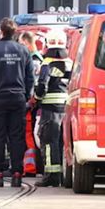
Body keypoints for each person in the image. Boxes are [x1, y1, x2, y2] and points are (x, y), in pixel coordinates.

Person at [0, 18, 34, 188]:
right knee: (17, 137)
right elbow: (30, 77)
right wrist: (25, 96)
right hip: (17, 98)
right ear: (15, 32)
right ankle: (17, 173)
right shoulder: (23, 50)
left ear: (0, 32)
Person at [34, 29, 72, 187]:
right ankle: (63, 175)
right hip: (67, 107)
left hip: (50, 109)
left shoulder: (47, 63)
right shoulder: (71, 63)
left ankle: (51, 176)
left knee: (49, 142)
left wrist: (36, 98)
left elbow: (42, 85)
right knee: (63, 143)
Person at [18, 31, 43, 176]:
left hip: (30, 103)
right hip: (34, 102)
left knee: (28, 135)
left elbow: (33, 82)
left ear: (27, 43)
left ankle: (30, 167)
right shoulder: (37, 58)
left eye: (21, 44)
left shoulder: (33, 59)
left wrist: (29, 101)